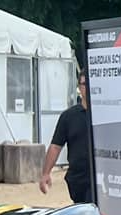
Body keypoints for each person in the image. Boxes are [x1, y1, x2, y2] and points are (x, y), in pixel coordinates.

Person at [40, 70, 94, 202]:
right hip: (78, 179)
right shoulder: (68, 117)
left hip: (102, 178)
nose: (88, 87)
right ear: (79, 88)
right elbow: (55, 146)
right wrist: (46, 173)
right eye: (84, 84)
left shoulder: (108, 114)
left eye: (92, 83)